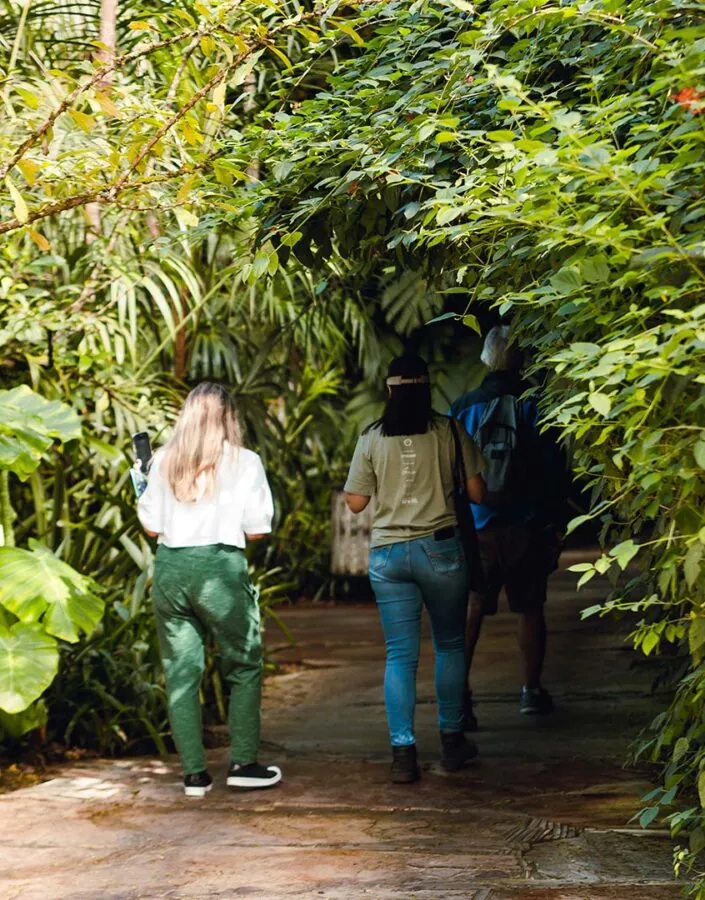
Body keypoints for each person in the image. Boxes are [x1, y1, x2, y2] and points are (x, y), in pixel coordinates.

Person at [344, 354, 487, 784]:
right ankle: (452, 741)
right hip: (441, 550)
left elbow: (355, 502)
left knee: (400, 656)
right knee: (449, 646)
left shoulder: (371, 437)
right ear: (427, 389)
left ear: (389, 391)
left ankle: (403, 754)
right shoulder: (448, 430)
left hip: (389, 556)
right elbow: (479, 492)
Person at [137, 382, 282, 797]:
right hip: (219, 568)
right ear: (228, 417)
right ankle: (243, 764)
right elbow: (257, 531)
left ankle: (194, 776)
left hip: (171, 570)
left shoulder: (162, 460)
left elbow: (152, 527)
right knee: (243, 665)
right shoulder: (246, 461)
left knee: (182, 675)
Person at [450, 326, 569, 728]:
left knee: (471, 609)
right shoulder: (537, 404)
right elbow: (555, 469)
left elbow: (451, 470)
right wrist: (555, 522)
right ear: (521, 360)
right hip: (526, 524)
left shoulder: (464, 406)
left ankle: (460, 696)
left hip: (478, 526)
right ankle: (530, 692)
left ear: (486, 359)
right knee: (530, 608)